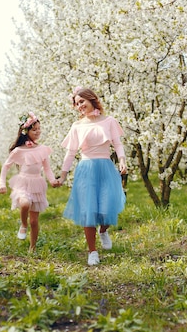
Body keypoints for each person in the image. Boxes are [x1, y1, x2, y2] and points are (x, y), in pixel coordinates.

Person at [57, 87, 127, 266]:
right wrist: (63, 175)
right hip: (86, 169)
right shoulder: (77, 126)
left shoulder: (109, 121)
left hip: (105, 167)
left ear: (91, 99)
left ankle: (103, 231)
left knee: (108, 206)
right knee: (88, 211)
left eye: (82, 101)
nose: (79, 105)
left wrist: (122, 160)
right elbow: (71, 153)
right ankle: (92, 251)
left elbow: (117, 144)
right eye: (77, 103)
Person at [0, 112, 59, 252]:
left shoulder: (42, 149)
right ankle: (23, 225)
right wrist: (1, 184)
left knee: (35, 221)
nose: (38, 132)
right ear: (26, 132)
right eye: (34, 129)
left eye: (39, 129)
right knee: (25, 203)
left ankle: (32, 247)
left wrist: (52, 180)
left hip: (37, 183)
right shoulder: (19, 150)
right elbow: (5, 166)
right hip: (23, 182)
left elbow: (47, 168)